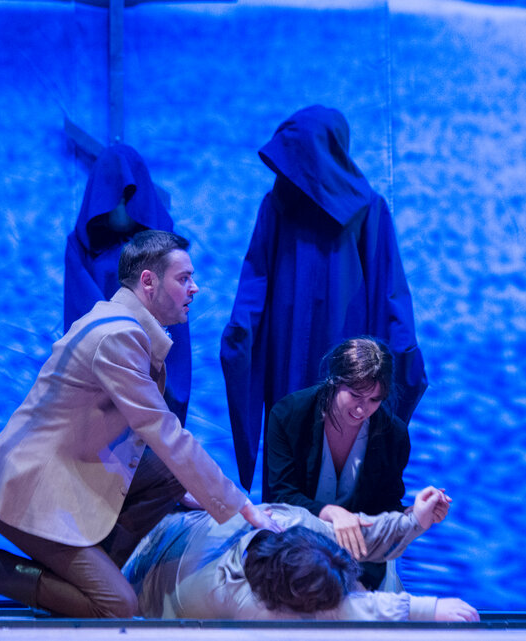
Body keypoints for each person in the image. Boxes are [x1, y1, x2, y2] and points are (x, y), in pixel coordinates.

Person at [0, 230, 275, 619]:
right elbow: (163, 431)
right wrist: (241, 507)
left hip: (60, 472)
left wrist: (189, 489)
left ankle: (88, 578)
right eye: (184, 278)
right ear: (148, 282)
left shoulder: (116, 321)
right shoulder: (118, 336)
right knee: (117, 606)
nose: (194, 288)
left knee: (170, 474)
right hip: (27, 488)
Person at [220, 104, 427, 499]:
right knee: (326, 442)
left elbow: (253, 286)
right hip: (332, 345)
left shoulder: (338, 207)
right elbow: (390, 293)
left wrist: (240, 337)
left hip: (302, 351)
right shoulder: (347, 205)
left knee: (314, 443)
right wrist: (403, 354)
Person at [123, 486, 478, 622]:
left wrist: (414, 520)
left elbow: (356, 535)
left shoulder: (290, 523)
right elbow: (350, 611)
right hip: (143, 577)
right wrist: (425, 608)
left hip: (175, 526)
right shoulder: (240, 600)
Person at [262, 336, 420, 590]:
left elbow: (385, 505)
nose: (362, 409)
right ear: (334, 381)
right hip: (295, 541)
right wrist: (333, 513)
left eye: (374, 400)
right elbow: (283, 494)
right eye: (355, 395)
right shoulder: (288, 415)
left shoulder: (394, 434)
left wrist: (415, 515)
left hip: (360, 551)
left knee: (365, 599)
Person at [65, 144, 192, 425]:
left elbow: (175, 321)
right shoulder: (81, 246)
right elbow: (83, 309)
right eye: (113, 196)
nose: (121, 205)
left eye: (128, 197)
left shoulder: (164, 247)